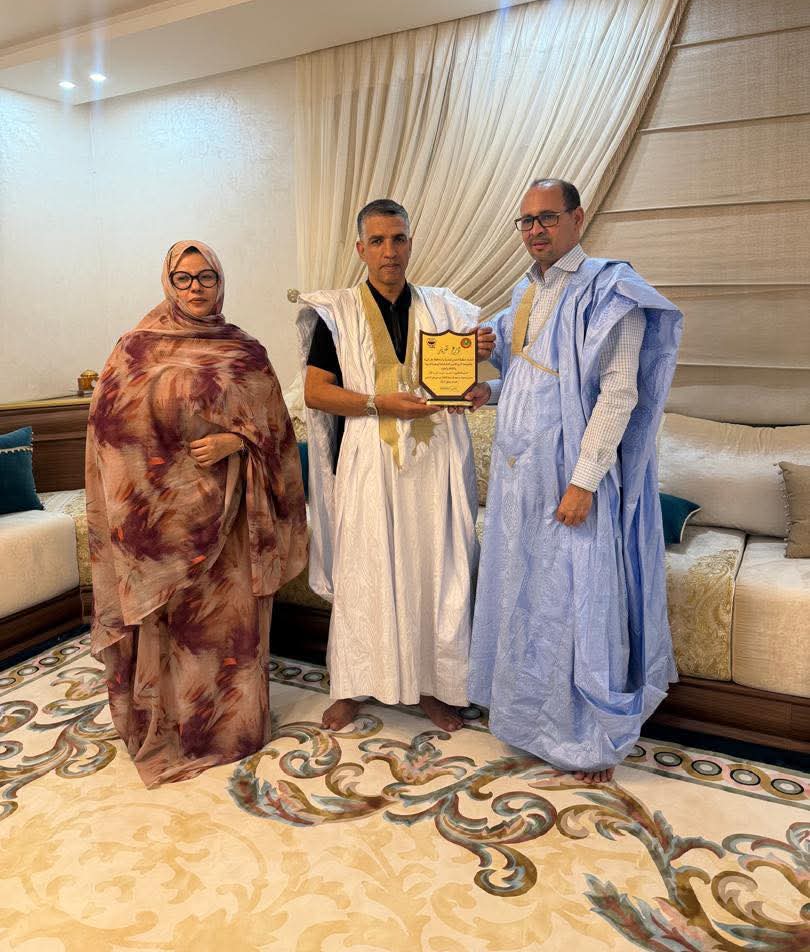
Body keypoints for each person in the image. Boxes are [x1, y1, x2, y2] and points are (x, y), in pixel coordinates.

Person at [466, 179, 682, 784]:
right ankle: (529, 723)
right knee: (526, 596)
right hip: (519, 479)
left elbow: (618, 394)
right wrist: (489, 388)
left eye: (548, 218)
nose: (536, 230)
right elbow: (535, 382)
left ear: (577, 218)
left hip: (572, 478)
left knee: (575, 601)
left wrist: (583, 482)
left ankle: (586, 737)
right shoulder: (524, 292)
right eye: (526, 221)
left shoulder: (611, 290)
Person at [86, 240, 307, 787]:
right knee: (174, 626)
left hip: (233, 515)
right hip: (163, 522)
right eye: (184, 278)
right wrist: (165, 479)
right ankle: (174, 729)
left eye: (206, 276)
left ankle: (231, 730)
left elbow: (277, 430)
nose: (196, 288)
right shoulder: (135, 348)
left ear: (220, 280)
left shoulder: (245, 352)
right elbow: (109, 428)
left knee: (227, 628)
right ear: (169, 282)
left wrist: (237, 441)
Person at [300, 199, 493, 733]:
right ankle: (353, 684)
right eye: (378, 241)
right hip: (369, 456)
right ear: (360, 249)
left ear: (410, 242)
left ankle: (434, 686)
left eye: (399, 239)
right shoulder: (337, 314)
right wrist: (378, 403)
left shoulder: (446, 311)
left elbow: (465, 381)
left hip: (435, 463)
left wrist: (478, 355)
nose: (390, 251)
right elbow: (316, 393)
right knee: (364, 571)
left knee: (435, 569)